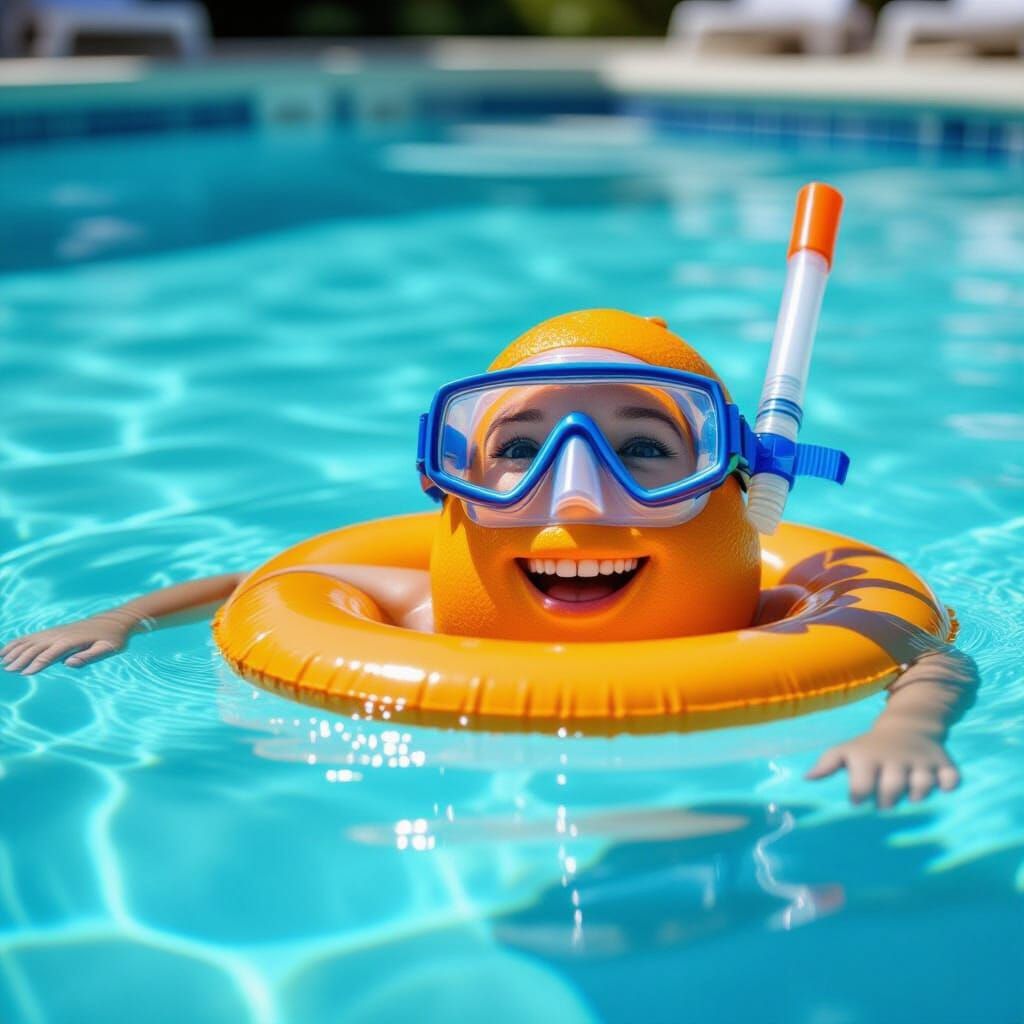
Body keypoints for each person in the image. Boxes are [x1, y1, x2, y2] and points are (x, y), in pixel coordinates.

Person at [2, 310, 976, 808]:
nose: (577, 495)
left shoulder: (764, 613)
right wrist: (120, 618)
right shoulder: (423, 607)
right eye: (520, 448)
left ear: (733, 482)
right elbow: (261, 584)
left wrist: (908, 729)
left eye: (643, 447)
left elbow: (926, 651)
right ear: (454, 483)